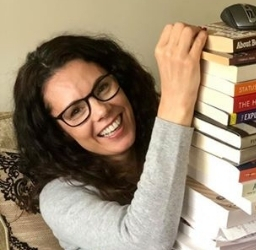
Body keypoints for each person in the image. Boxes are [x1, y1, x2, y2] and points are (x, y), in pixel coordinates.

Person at [12, 23, 208, 249]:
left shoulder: (169, 138)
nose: (102, 110)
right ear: (59, 133)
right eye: (76, 111)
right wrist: (176, 101)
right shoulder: (58, 197)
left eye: (102, 87)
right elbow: (143, 244)